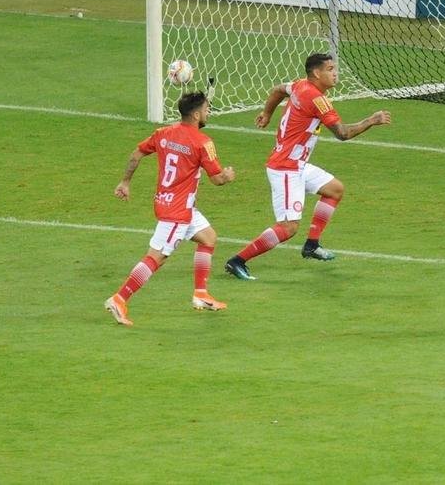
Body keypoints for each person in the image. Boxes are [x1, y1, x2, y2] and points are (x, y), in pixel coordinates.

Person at [224, 52, 391, 280]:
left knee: (335, 189)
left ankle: (312, 245)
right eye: (330, 69)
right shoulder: (318, 100)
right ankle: (237, 260)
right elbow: (342, 134)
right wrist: (371, 121)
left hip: (297, 164)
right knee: (289, 227)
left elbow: (277, 89)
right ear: (316, 73)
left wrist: (267, 113)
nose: (335, 73)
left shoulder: (299, 85)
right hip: (286, 168)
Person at [105, 91, 236, 326]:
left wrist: (125, 182)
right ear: (196, 114)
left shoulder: (163, 133)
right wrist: (227, 176)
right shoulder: (203, 142)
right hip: (178, 212)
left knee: (208, 238)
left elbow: (137, 154)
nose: (208, 112)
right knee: (157, 257)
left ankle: (201, 294)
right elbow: (216, 179)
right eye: (206, 109)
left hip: (170, 203)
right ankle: (119, 298)